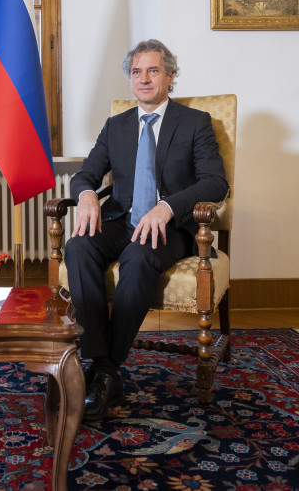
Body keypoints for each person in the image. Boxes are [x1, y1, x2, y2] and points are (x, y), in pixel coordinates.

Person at [65, 38, 229, 422]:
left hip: (170, 228)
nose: (144, 79)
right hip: (122, 219)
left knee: (138, 258)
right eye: (136, 72)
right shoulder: (116, 125)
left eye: (153, 70)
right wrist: (87, 195)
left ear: (170, 77)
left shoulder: (194, 122)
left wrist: (168, 206)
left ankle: (104, 370)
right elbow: (86, 174)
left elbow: (215, 182)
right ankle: (104, 365)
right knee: (77, 247)